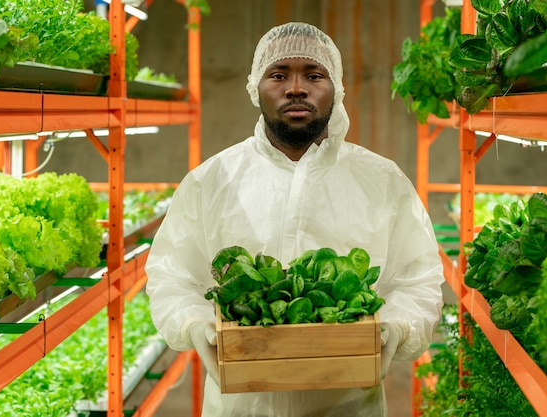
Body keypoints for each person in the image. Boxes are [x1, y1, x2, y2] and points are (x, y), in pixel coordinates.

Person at [145, 21, 444, 417]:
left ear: (336, 87)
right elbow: (171, 276)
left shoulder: (381, 180)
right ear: (256, 87)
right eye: (279, 74)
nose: (296, 88)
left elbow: (418, 279)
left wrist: (398, 327)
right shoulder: (211, 181)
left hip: (348, 405)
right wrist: (195, 326)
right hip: (241, 407)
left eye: (314, 75)